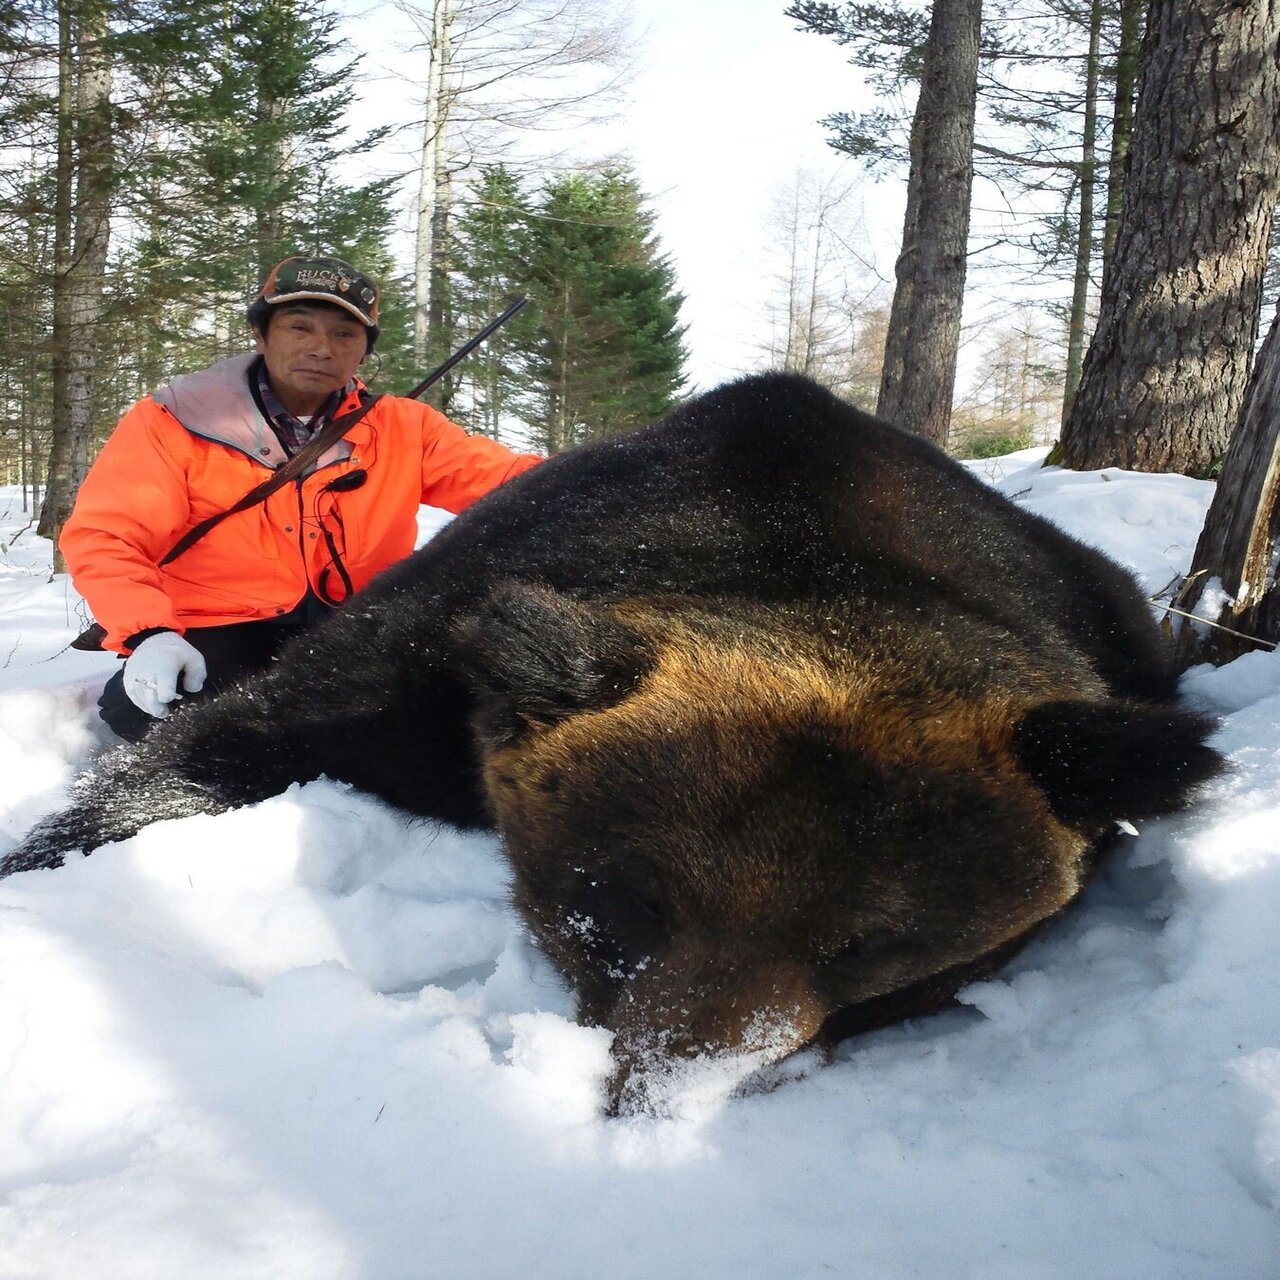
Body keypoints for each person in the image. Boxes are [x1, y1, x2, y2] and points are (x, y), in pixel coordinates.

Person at [62, 254, 542, 741]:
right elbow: (107, 537)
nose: (321, 348)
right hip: (217, 628)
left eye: (344, 334)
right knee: (161, 716)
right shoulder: (175, 420)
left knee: (456, 715)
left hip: (359, 627)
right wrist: (148, 633)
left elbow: (510, 482)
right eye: (299, 327)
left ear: (363, 351)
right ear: (261, 334)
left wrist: (608, 468)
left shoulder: (406, 426)